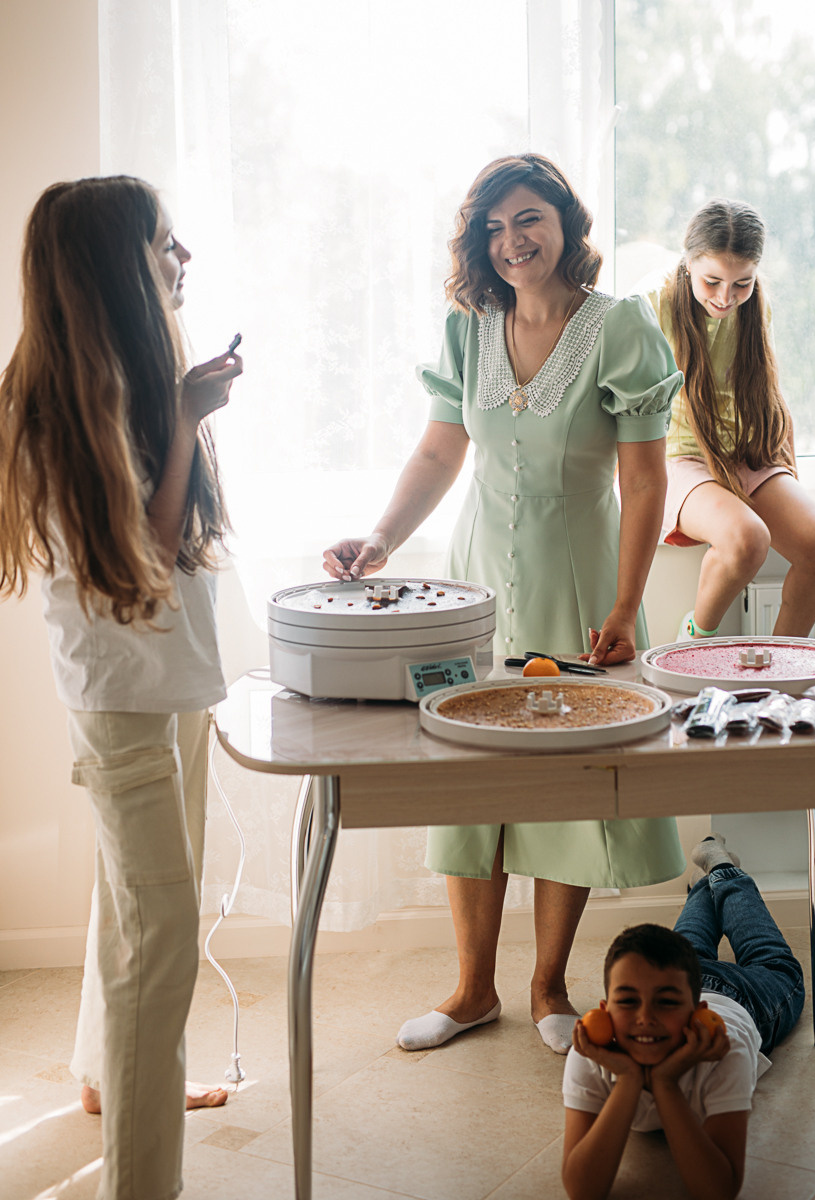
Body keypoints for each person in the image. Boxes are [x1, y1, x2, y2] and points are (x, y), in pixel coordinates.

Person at [323, 153, 687, 1055]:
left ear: (566, 224)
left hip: (581, 582)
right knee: (468, 777)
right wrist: (378, 542)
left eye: (527, 219)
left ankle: (546, 986)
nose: (511, 240)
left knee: (564, 781)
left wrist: (625, 602)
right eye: (492, 227)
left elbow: (643, 483)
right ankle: (470, 989)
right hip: (476, 579)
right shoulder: (469, 327)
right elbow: (440, 454)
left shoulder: (619, 327)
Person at [0, 176, 242, 1199]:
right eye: (165, 246)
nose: (182, 261)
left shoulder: (125, 384)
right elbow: (136, 558)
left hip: (162, 688)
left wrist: (180, 409)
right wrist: (187, 419)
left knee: (129, 900)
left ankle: (110, 1073)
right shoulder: (52, 412)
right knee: (162, 941)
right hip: (124, 702)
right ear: (115, 272)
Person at [646, 198, 815, 640]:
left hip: (742, 454)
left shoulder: (756, 310)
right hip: (679, 457)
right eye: (712, 280)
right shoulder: (653, 305)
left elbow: (773, 402)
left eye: (742, 283)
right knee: (747, 540)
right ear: (688, 262)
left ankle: (782, 664)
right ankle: (693, 641)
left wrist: (801, 493)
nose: (725, 297)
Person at [561, 836, 805, 1200]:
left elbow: (718, 1190)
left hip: (742, 998)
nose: (645, 1018)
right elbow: (582, 1190)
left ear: (695, 1014)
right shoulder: (590, 1051)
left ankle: (723, 870)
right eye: (627, 1001)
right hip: (680, 978)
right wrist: (630, 1079)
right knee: (685, 944)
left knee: (774, 961)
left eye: (664, 1004)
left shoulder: (726, 1049)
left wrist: (666, 1084)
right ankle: (708, 880)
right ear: (604, 1010)